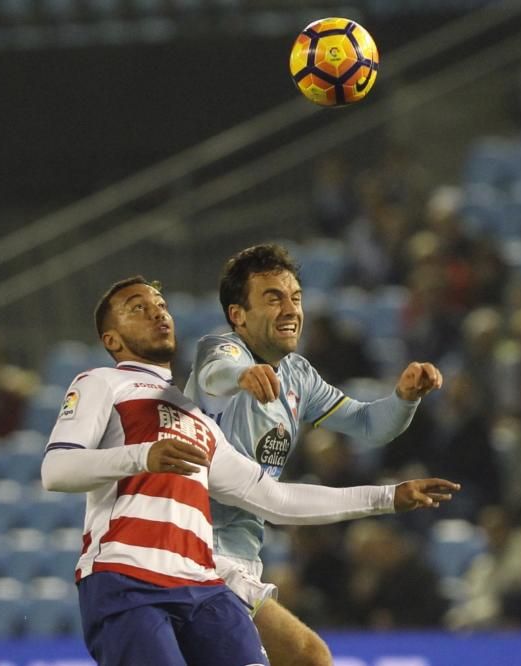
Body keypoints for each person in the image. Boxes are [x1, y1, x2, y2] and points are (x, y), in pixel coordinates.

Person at [42, 276, 458, 666]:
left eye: (161, 305)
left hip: (202, 585)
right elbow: (57, 470)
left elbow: (276, 501)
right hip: (127, 578)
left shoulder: (196, 419)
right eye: (138, 308)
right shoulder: (101, 383)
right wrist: (141, 457)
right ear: (110, 338)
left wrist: (388, 496)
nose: (157, 313)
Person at [184, 243, 444, 666]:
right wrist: (243, 375)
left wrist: (404, 398)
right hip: (201, 552)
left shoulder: (298, 376)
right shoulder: (222, 350)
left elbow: (367, 425)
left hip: (242, 558)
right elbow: (215, 375)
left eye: (296, 298)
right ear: (238, 315)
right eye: (273, 298)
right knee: (309, 657)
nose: (290, 309)